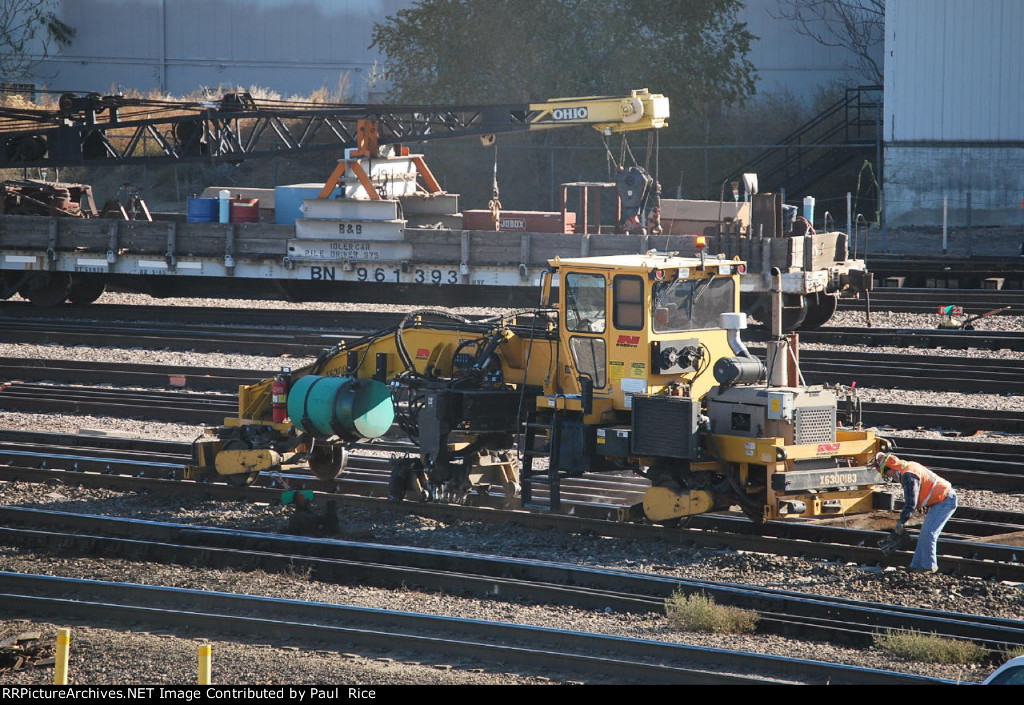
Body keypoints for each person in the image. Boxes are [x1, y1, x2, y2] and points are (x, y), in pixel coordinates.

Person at [874, 452, 958, 573]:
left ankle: (929, 566)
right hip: (940, 499)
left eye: (885, 473)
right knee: (924, 534)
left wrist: (901, 521)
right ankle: (916, 565)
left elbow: (910, 503)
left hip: (945, 500)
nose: (888, 476)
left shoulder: (908, 475)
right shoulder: (908, 466)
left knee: (928, 533)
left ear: (891, 469)